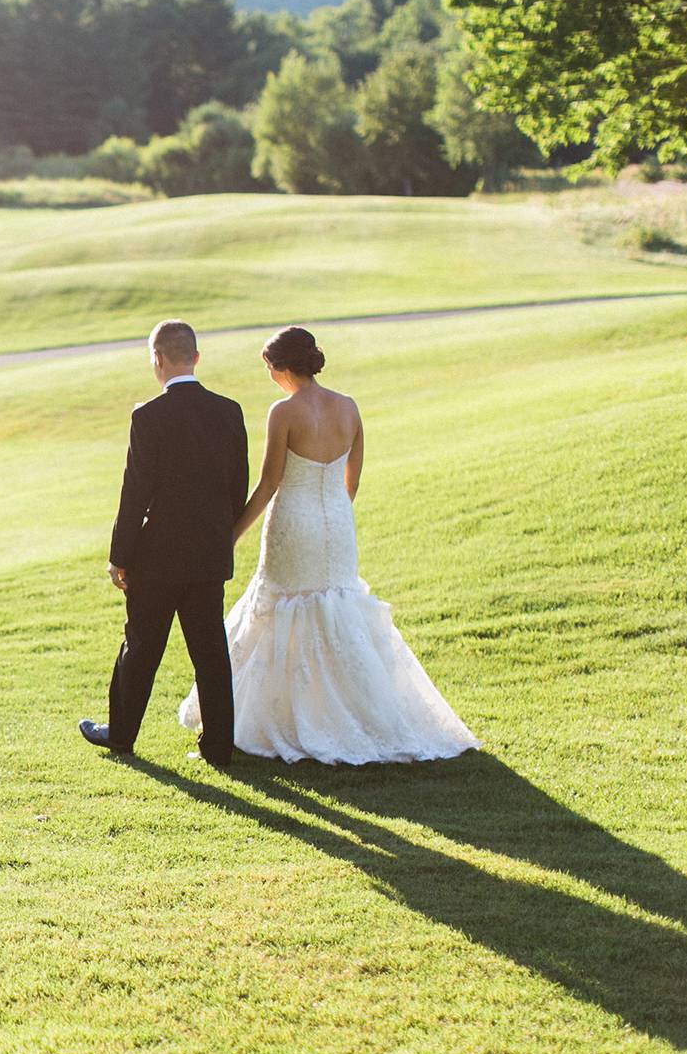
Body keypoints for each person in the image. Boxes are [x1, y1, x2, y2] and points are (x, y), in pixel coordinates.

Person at [179, 326, 478, 764]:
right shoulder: (348, 408)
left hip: (292, 523)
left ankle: (283, 719)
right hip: (337, 523)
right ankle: (356, 717)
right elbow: (350, 482)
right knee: (337, 608)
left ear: (281, 368)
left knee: (281, 608)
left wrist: (229, 535)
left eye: (269, 369)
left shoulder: (283, 412)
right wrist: (333, 515)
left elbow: (267, 485)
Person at [81, 319, 248, 766]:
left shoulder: (147, 416)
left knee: (141, 647)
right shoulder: (229, 412)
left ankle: (121, 734)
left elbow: (134, 492)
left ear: (157, 360)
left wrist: (120, 557)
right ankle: (217, 746)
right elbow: (237, 489)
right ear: (195, 355)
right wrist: (216, 537)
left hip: (156, 559)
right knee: (210, 652)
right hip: (209, 556)